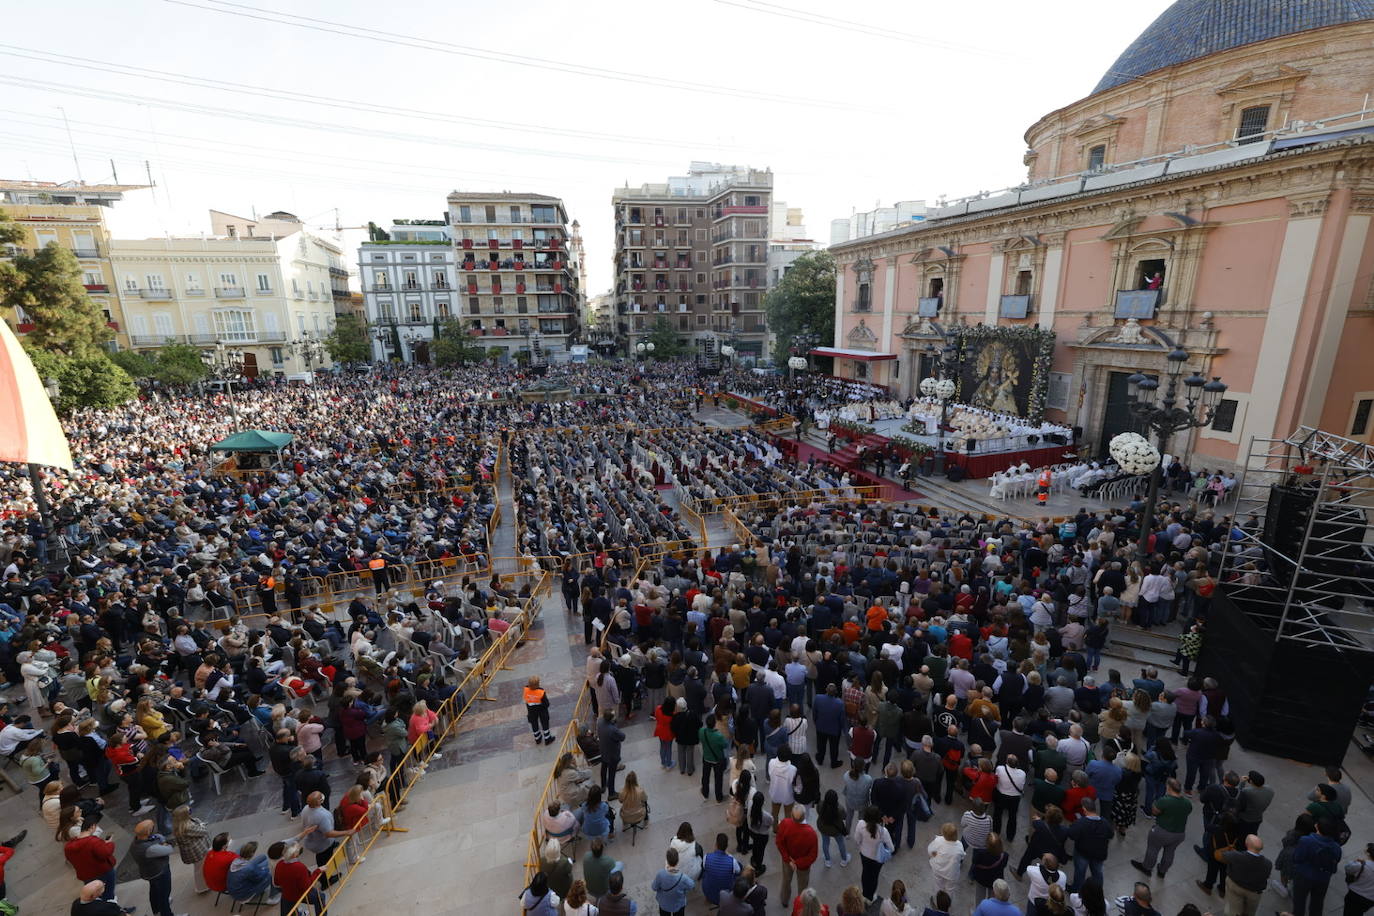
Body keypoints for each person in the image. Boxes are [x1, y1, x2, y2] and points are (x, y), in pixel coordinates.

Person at [1131, 778, 1192, 879]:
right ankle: (1162, 871)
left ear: (1169, 787)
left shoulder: (1165, 800)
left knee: (1153, 849)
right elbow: (1188, 812)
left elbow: (1154, 812)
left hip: (1162, 832)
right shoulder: (1187, 802)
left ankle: (1147, 868)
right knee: (1170, 852)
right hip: (1179, 834)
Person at [1291, 818, 1343, 916]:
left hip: (1304, 875)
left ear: (1317, 827)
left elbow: (1297, 858)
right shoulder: (1336, 847)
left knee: (1299, 901)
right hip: (1323, 878)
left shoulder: (1306, 840)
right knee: (1317, 903)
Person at [129, 819, 178, 916]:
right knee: (164, 896)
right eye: (152, 827)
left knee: (154, 892)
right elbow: (169, 849)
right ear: (148, 831)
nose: (154, 828)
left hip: (149, 873)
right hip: (159, 872)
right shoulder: (148, 848)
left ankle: (157, 911)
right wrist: (163, 841)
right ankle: (166, 913)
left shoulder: (135, 843)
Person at [299, 790, 356, 871]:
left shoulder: (305, 808)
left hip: (312, 840)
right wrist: (347, 832)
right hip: (322, 845)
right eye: (320, 798)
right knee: (324, 861)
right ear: (318, 802)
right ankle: (326, 879)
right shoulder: (322, 816)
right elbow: (328, 833)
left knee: (322, 858)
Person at [1218, 834, 1271, 916]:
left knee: (1233, 910)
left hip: (1235, 886)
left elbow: (1221, 856)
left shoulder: (1235, 856)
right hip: (1254, 892)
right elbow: (1266, 876)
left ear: (1246, 845)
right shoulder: (1268, 864)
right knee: (1250, 912)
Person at [776, 804, 818, 906]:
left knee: (786, 881)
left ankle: (784, 901)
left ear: (791, 815)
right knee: (803, 886)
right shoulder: (811, 833)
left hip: (787, 861)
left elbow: (779, 842)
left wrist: (789, 860)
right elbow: (813, 855)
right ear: (804, 816)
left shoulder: (785, 823)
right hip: (803, 866)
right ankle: (801, 905)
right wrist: (798, 863)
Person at [1066, 798, 1111, 891]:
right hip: (1099, 853)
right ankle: (1098, 891)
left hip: (1083, 853)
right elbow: (1111, 834)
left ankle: (1076, 890)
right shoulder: (1105, 822)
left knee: (1080, 872)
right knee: (1098, 873)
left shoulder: (1081, 822)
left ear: (1085, 809)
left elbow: (1071, 835)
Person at [851, 805, 893, 902]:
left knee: (865, 873)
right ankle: (870, 897)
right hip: (877, 859)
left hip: (864, 855)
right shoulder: (883, 831)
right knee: (874, 877)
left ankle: (865, 893)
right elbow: (891, 848)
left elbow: (857, 840)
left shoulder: (861, 824)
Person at [170, 804, 212, 894]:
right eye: (189, 811)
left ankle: (204, 884)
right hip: (197, 851)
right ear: (185, 815)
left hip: (194, 851)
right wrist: (201, 825)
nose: (191, 812)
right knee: (200, 870)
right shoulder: (188, 828)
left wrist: (199, 823)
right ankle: (201, 887)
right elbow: (204, 831)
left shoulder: (179, 825)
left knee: (199, 868)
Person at [701, 833, 742, 907]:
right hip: (727, 895)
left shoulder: (707, 857)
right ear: (726, 846)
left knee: (705, 870)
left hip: (708, 892)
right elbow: (738, 871)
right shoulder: (732, 861)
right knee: (739, 867)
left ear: (716, 845)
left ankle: (708, 899)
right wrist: (729, 856)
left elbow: (704, 867)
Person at [651, 847, 694, 916]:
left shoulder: (660, 874)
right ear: (678, 860)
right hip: (678, 904)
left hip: (664, 904)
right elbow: (691, 885)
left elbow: (654, 887)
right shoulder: (683, 878)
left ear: (667, 860)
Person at [927, 822, 965, 898]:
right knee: (950, 889)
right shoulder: (959, 845)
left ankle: (937, 900)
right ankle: (947, 903)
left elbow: (930, 850)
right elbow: (962, 857)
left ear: (943, 833)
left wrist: (933, 855)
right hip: (952, 873)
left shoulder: (938, 840)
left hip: (938, 869)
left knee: (938, 885)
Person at [817, 789, 850, 868]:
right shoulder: (840, 809)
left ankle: (827, 860)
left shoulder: (820, 804)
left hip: (823, 827)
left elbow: (818, 811)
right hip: (836, 830)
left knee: (825, 843)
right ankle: (844, 860)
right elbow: (845, 817)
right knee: (840, 843)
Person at [700, 713, 729, 803]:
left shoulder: (701, 731)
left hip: (706, 757)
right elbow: (725, 745)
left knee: (705, 776)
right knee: (718, 779)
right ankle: (719, 797)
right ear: (714, 724)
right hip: (717, 760)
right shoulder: (718, 736)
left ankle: (705, 793)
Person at [597, 710, 626, 799]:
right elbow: (622, 737)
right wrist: (614, 725)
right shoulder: (612, 729)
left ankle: (603, 786)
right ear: (611, 719)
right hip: (612, 754)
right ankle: (611, 793)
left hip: (603, 750)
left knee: (604, 767)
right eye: (614, 716)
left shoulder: (600, 722)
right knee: (611, 773)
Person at [1343, 843, 1374, 916]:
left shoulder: (1361, 865)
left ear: (1368, 854)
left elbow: (1347, 868)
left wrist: (1355, 861)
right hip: (1370, 900)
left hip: (1355, 896)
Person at [525, 676, 554, 746]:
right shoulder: (541, 692)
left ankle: (537, 739)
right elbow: (546, 703)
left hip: (531, 711)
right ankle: (547, 739)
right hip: (542, 711)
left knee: (534, 724)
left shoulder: (526, 689)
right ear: (537, 684)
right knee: (545, 724)